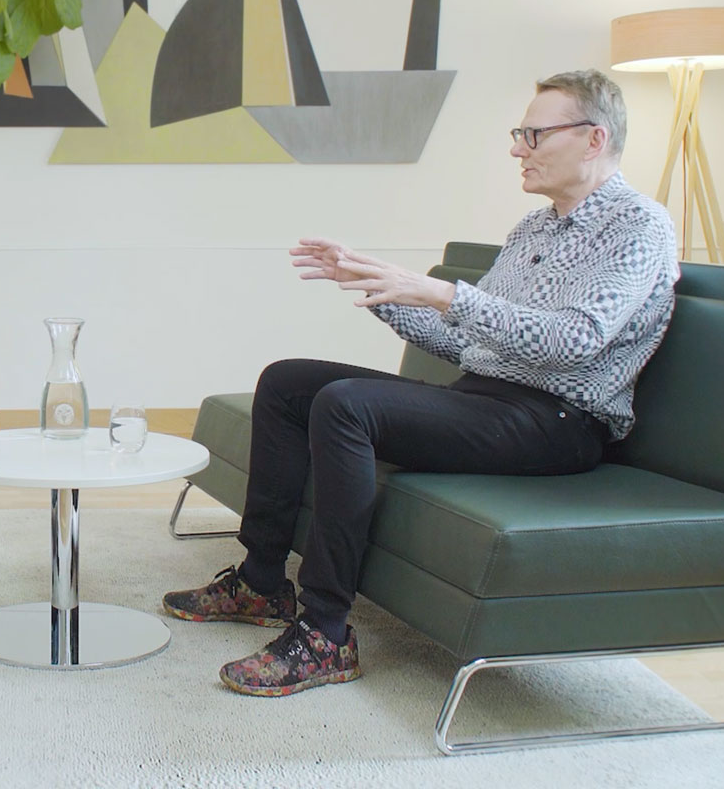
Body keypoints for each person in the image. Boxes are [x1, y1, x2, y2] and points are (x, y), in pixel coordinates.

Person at [162, 69, 679, 697]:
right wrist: (377, 287)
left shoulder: (640, 226)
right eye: (520, 134)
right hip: (485, 401)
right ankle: (261, 582)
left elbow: (575, 339)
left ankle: (325, 633)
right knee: (288, 382)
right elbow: (469, 342)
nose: (518, 148)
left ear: (594, 139)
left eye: (534, 134)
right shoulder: (534, 230)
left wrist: (437, 290)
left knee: (346, 406)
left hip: (560, 423)